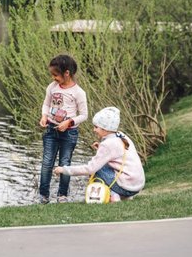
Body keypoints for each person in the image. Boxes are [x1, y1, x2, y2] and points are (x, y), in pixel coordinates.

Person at [53, 107, 145, 202]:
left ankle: (114, 196)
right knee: (103, 165)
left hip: (126, 187)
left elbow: (89, 169)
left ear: (105, 128)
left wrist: (64, 169)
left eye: (96, 127)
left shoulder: (107, 145)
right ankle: (126, 197)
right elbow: (119, 153)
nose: (94, 130)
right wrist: (100, 147)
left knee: (97, 170)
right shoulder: (122, 136)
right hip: (137, 185)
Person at [38, 54, 88, 204]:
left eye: (56, 75)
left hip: (69, 133)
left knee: (65, 163)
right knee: (47, 162)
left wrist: (69, 122)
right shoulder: (52, 87)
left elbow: (84, 115)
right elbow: (46, 104)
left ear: (67, 73)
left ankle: (62, 195)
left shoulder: (79, 92)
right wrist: (44, 116)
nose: (53, 78)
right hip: (51, 131)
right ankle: (44, 195)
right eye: (52, 74)